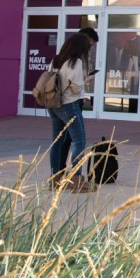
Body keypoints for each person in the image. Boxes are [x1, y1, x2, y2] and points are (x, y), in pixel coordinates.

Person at [47, 33, 96, 193]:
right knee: (79, 140)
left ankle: (56, 179)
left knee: (57, 141)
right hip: (69, 104)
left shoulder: (56, 59)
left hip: (54, 104)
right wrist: (86, 80)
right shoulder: (75, 62)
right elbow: (76, 87)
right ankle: (77, 180)